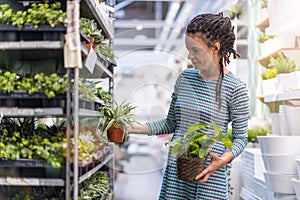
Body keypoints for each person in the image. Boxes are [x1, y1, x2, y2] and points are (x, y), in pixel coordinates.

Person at [128, 13, 250, 200]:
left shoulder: (235, 89)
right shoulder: (185, 79)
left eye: (196, 50)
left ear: (215, 48)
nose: (189, 56)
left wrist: (222, 160)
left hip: (209, 177)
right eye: (188, 50)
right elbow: (170, 123)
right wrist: (129, 128)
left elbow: (241, 138)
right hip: (177, 175)